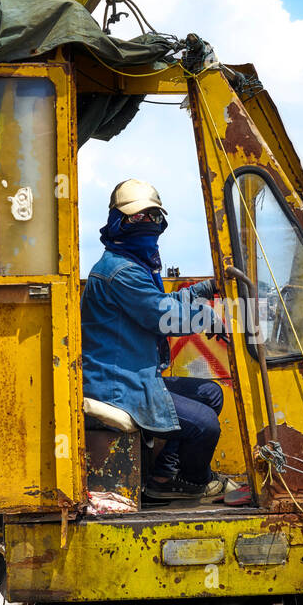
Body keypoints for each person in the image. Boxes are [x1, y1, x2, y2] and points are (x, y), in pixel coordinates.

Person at [80, 178, 230, 501]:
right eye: (137, 218)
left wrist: (205, 290)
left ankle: (163, 473)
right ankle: (193, 482)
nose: (146, 224)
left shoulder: (134, 266)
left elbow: (164, 304)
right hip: (119, 385)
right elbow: (163, 316)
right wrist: (207, 317)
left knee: (211, 393)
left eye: (152, 217)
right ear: (118, 223)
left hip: (136, 374)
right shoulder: (121, 272)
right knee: (205, 425)